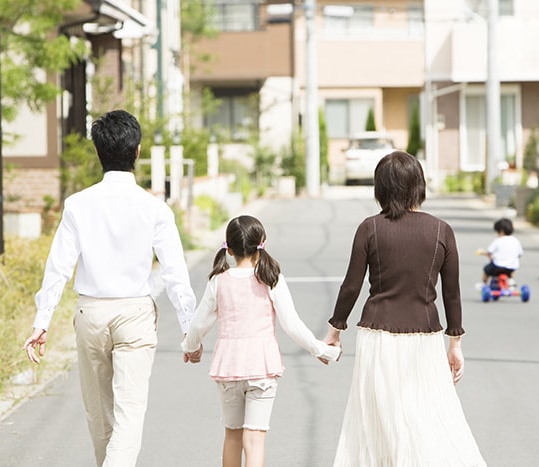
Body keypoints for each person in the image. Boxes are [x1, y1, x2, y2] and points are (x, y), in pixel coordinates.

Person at [23, 110, 197, 467]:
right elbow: (175, 272)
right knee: (129, 413)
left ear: (99, 152)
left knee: (100, 416)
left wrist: (42, 321)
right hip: (135, 313)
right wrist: (189, 329)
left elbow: (59, 266)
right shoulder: (155, 208)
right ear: (136, 152)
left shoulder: (78, 205)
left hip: (91, 313)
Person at [323, 151, 486, 467]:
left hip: (377, 335)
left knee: (377, 417)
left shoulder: (369, 228)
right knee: (425, 411)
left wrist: (334, 331)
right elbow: (451, 293)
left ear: (380, 189)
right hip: (424, 338)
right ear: (419, 186)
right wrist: (455, 344)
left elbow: (351, 286)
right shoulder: (441, 230)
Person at [181, 215, 341, 467]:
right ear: (261, 244)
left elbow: (199, 323)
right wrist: (320, 349)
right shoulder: (271, 277)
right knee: (254, 439)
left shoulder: (218, 281)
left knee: (232, 436)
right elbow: (292, 324)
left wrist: (190, 348)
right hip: (262, 368)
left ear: (229, 249)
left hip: (228, 367)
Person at [477, 217, 524, 287]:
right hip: (511, 267)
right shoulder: (515, 241)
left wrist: (481, 252)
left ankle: (483, 284)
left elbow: (489, 252)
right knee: (511, 265)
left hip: (498, 266)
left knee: (486, 270)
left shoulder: (498, 240)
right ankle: (511, 280)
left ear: (501, 231)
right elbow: (520, 254)